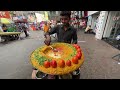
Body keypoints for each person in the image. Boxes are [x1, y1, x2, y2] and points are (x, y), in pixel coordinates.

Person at [32, 11, 78, 79]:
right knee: (54, 67)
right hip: (57, 51)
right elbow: (47, 32)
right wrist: (48, 37)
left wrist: (73, 45)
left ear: (69, 19)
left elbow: (75, 40)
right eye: (62, 19)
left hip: (67, 52)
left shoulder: (73, 30)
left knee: (66, 69)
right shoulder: (58, 27)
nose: (63, 21)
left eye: (65, 19)